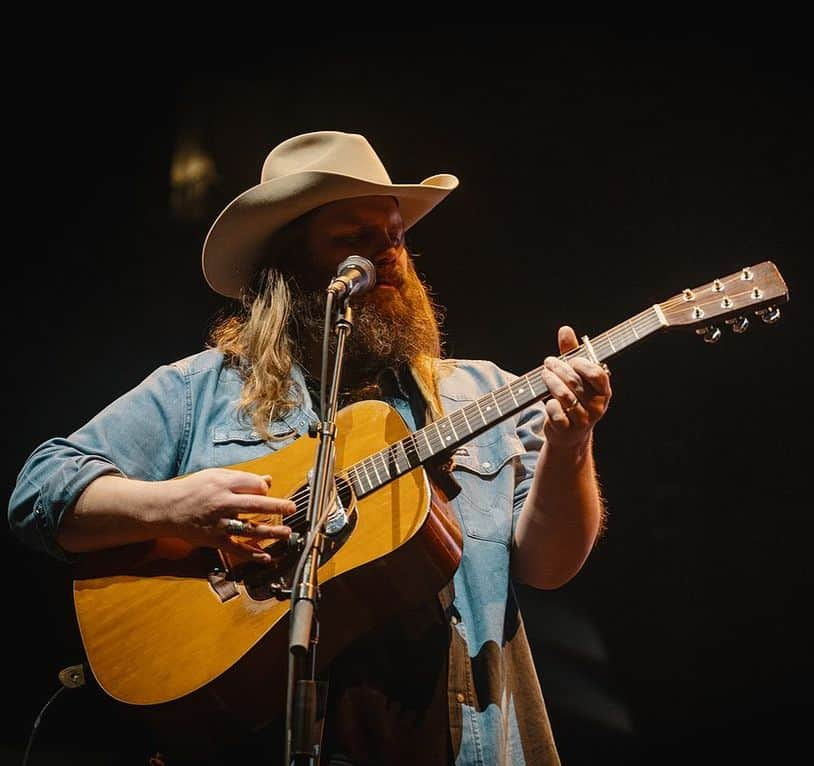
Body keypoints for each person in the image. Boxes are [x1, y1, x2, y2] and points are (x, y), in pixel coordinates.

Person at [7, 130, 612, 765]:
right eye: (355, 241)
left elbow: (548, 566)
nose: (388, 258)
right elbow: (41, 491)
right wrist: (174, 508)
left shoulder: (481, 392)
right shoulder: (201, 391)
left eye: (395, 235)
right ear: (288, 268)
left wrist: (571, 445)